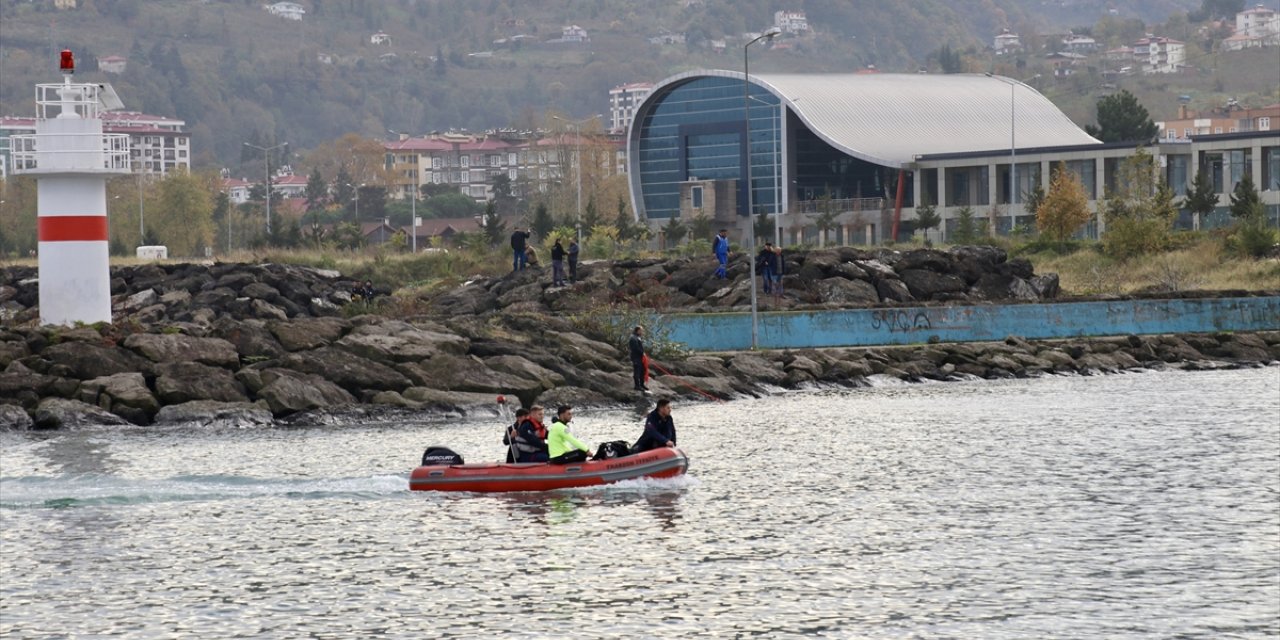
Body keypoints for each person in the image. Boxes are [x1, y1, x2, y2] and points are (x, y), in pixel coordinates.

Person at [629, 325, 650, 393]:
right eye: (641, 330)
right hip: (636, 357)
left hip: (640, 357)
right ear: (637, 330)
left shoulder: (638, 337)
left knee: (642, 371)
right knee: (637, 371)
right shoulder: (633, 338)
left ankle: (642, 384)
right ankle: (637, 386)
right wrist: (642, 353)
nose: (642, 332)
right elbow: (635, 348)